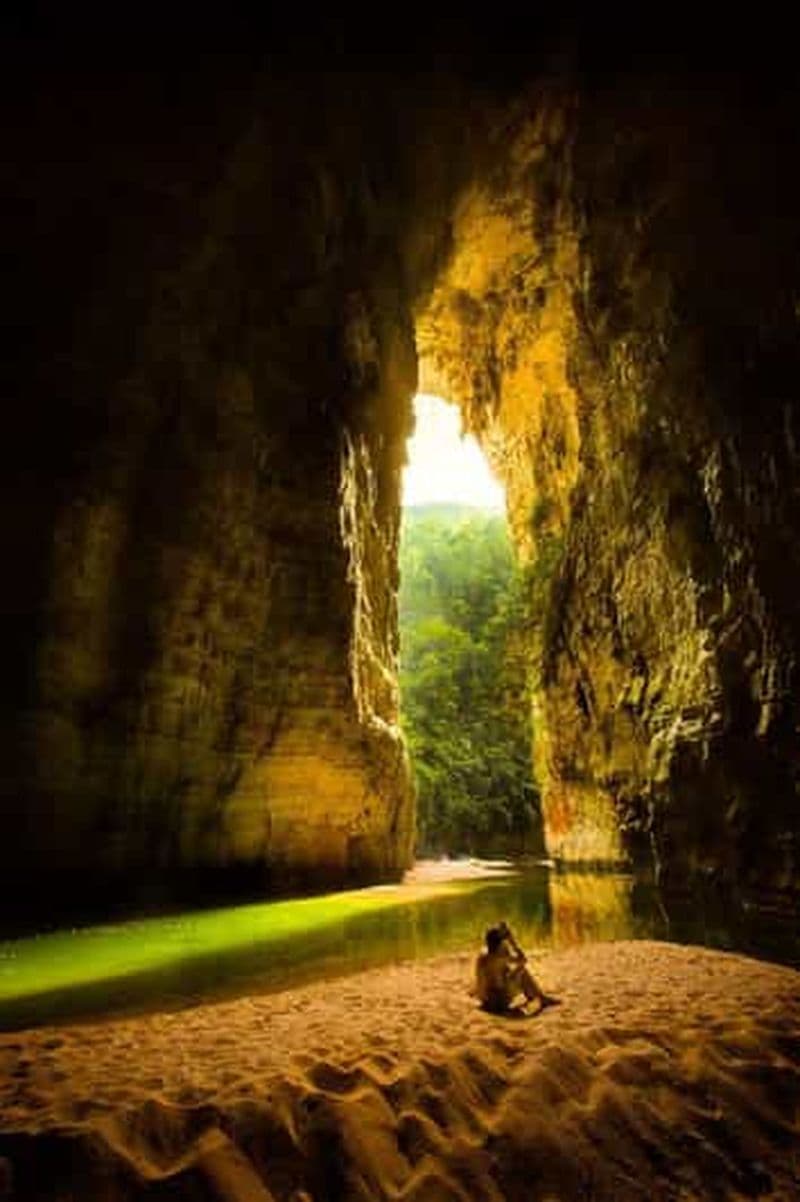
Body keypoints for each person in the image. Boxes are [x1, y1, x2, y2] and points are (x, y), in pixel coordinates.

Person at [474, 920, 551, 1014]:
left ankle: (536, 996)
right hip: (498, 1001)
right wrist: (512, 940)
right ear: (499, 943)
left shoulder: (483, 954)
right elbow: (523, 959)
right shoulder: (499, 956)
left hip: (485, 1000)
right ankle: (540, 998)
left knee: (508, 971)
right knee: (522, 971)